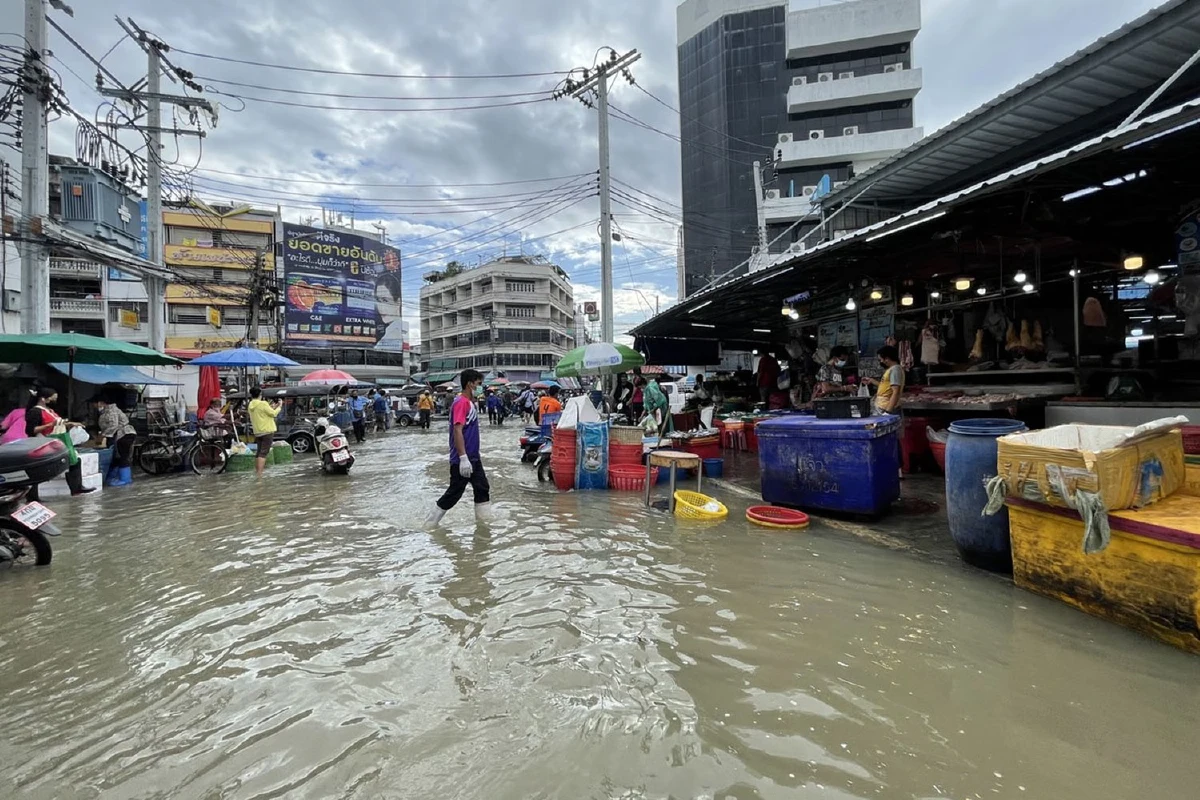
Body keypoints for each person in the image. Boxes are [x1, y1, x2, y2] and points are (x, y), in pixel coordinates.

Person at [425, 369, 493, 528]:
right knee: (455, 492)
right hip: (463, 458)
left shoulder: (470, 403)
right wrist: (463, 458)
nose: (480, 387)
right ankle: (430, 524)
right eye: (479, 383)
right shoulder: (461, 402)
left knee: (482, 487)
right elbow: (457, 429)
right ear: (470, 383)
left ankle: (484, 525)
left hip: (473, 457)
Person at [25, 387, 94, 496]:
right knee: (37, 469)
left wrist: (71, 424)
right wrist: (49, 425)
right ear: (44, 399)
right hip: (42, 442)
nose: (54, 401)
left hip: (57, 440)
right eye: (53, 398)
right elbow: (30, 430)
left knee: (74, 460)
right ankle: (33, 497)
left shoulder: (49, 411)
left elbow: (58, 423)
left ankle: (76, 487)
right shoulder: (35, 412)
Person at [94, 392, 137, 487]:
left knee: (123, 456)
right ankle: (115, 477)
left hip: (124, 435)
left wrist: (103, 435)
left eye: (95, 403)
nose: (94, 406)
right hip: (121, 435)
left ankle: (125, 479)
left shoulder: (111, 410)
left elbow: (113, 425)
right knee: (117, 457)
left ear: (101, 403)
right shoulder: (106, 411)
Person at [247, 387, 281, 476]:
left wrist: (274, 407)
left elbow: (265, 412)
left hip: (258, 431)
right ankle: (259, 474)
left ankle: (257, 471)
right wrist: (280, 407)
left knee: (259, 452)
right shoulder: (263, 403)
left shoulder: (251, 404)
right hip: (267, 431)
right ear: (260, 395)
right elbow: (273, 414)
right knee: (264, 453)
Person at [865, 345, 905, 415]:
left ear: (887, 359)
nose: (881, 362)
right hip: (882, 407)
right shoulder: (891, 369)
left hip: (886, 408)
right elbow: (885, 386)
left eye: (881, 359)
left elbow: (896, 392)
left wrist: (888, 412)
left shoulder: (895, 369)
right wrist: (871, 380)